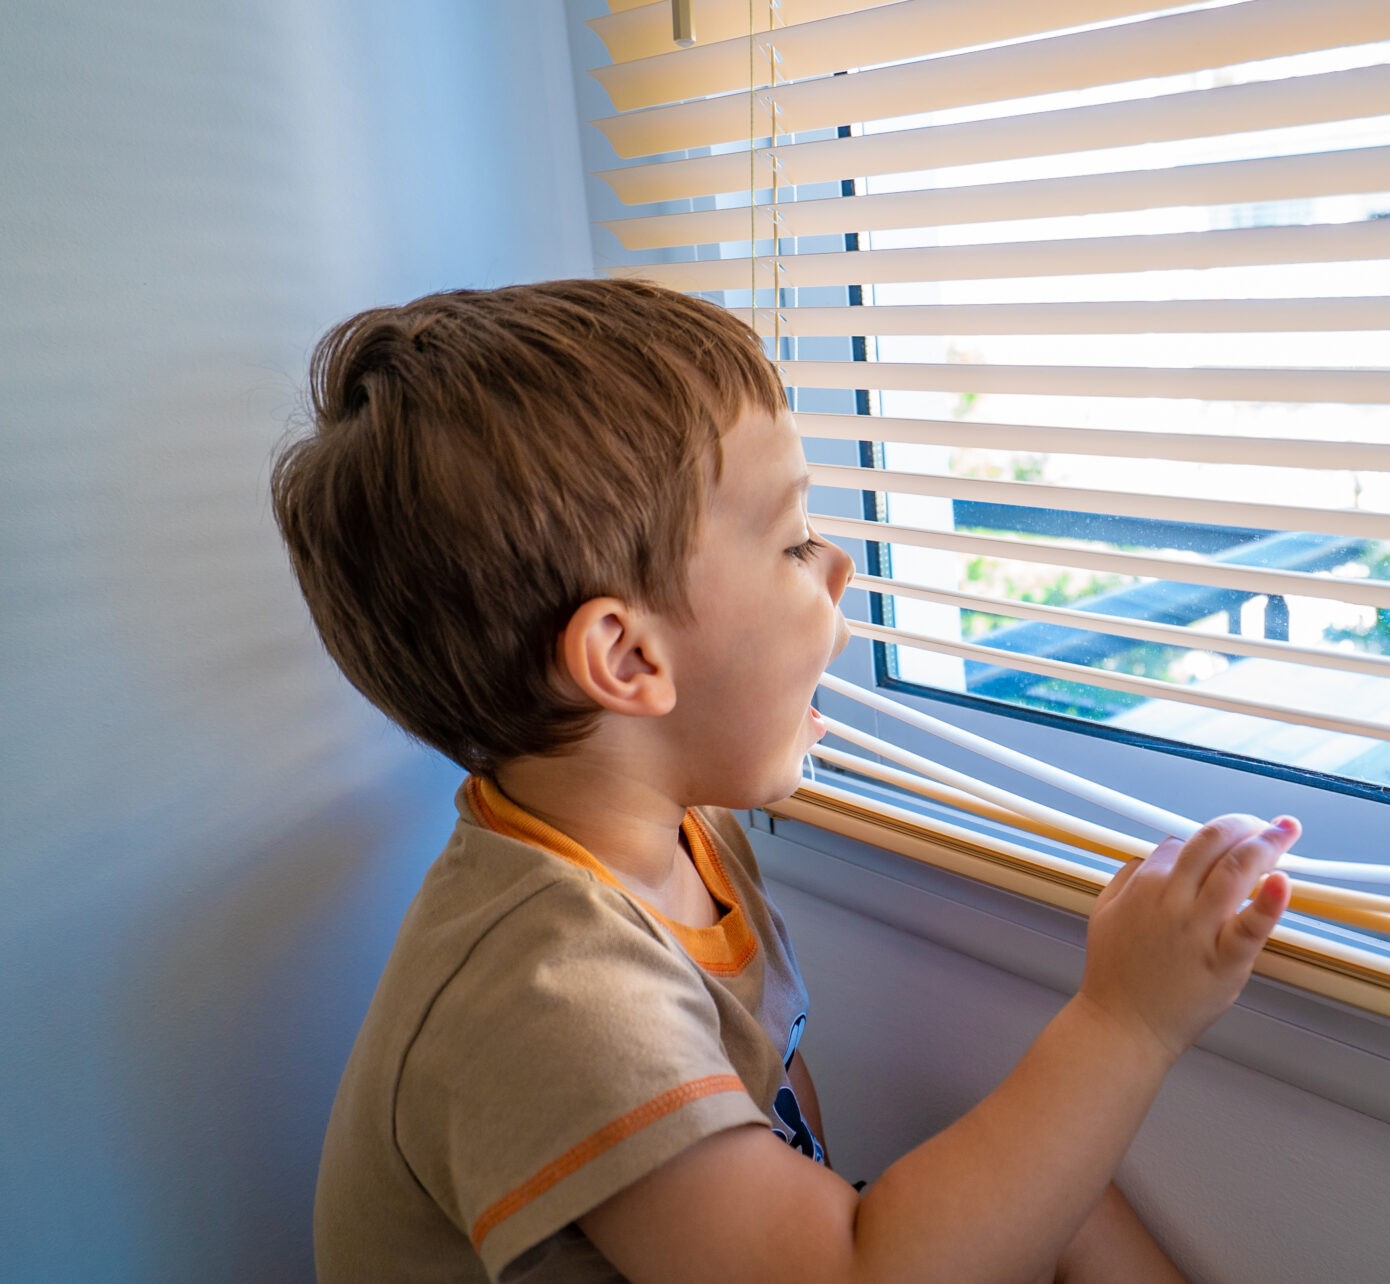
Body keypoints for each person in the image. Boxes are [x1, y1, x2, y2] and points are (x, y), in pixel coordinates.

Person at [275, 278, 1298, 1283]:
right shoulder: (554, 996)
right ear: (629, 660)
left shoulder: (683, 833)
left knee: (1064, 1205)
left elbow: (774, 1096)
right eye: (795, 541)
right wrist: (1128, 1022)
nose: (839, 566)